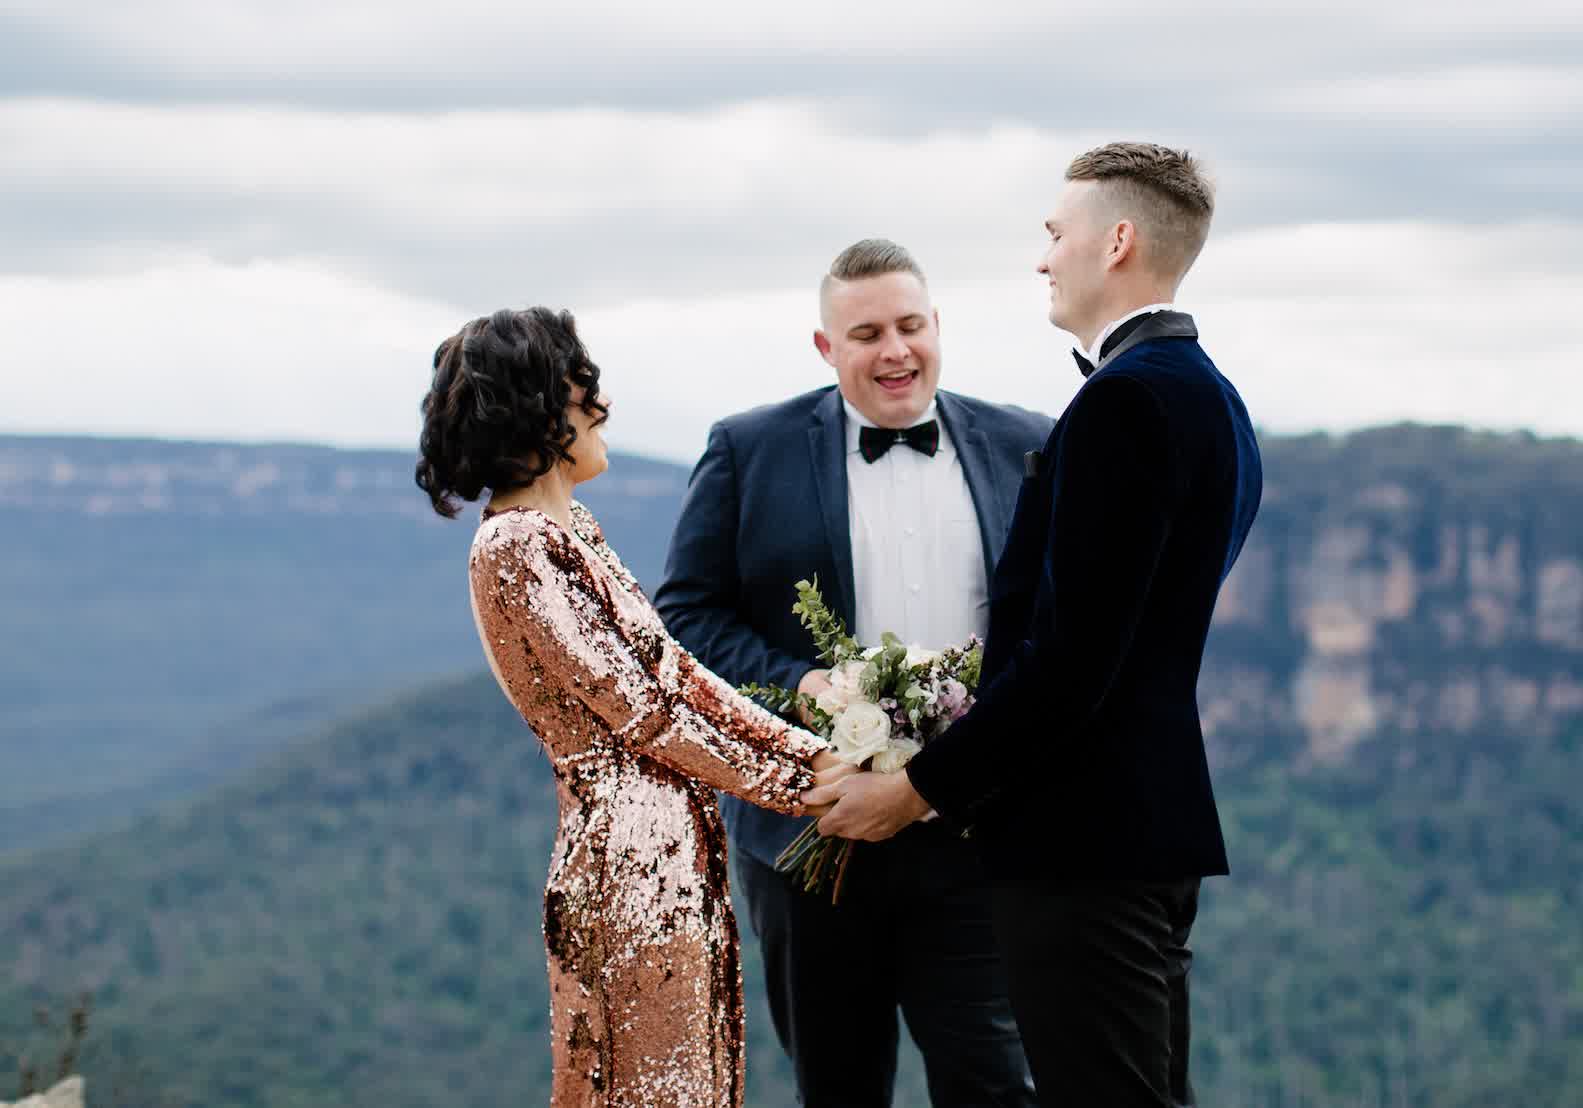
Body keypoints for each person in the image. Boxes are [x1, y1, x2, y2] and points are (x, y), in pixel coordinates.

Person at [809, 143, 1264, 1108]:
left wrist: (916, 789)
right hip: (1145, 827)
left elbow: (1074, 660)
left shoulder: (1125, 403)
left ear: (1118, 242)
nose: (1045, 257)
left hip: (1081, 843)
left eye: (1057, 234)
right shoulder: (1214, 396)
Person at [414, 306, 849, 1108]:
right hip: (624, 866)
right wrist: (809, 787)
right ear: (540, 409)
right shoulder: (515, 547)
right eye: (585, 393)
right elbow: (645, 712)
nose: (602, 410)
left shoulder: (570, 526)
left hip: (673, 847)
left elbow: (677, 673)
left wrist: (810, 754)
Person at [655, 240, 1048, 1106]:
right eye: (866, 333)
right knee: (838, 1089)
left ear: (938, 326)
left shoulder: (1029, 445)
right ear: (827, 348)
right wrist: (803, 684)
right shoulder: (749, 449)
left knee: (995, 1085)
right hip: (810, 835)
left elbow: (1058, 634)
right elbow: (683, 618)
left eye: (911, 326)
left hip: (976, 830)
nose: (895, 351)